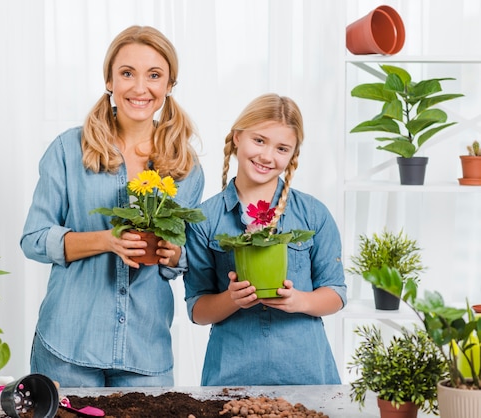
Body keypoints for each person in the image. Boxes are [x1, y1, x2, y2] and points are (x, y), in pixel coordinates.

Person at [20, 25, 204, 387]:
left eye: (154, 75)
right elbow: (34, 239)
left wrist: (173, 254)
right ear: (109, 81)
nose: (140, 87)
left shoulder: (185, 165)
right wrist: (108, 240)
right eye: (127, 73)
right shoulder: (67, 150)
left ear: (168, 85)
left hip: (145, 352)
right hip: (67, 345)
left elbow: (188, 258)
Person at [183, 93, 346, 386]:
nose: (267, 156)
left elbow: (336, 294)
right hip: (231, 377)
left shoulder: (313, 214)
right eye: (259, 140)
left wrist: (299, 301)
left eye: (282, 148)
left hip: (305, 376)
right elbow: (197, 309)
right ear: (237, 137)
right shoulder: (205, 219)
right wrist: (231, 299)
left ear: (292, 156)